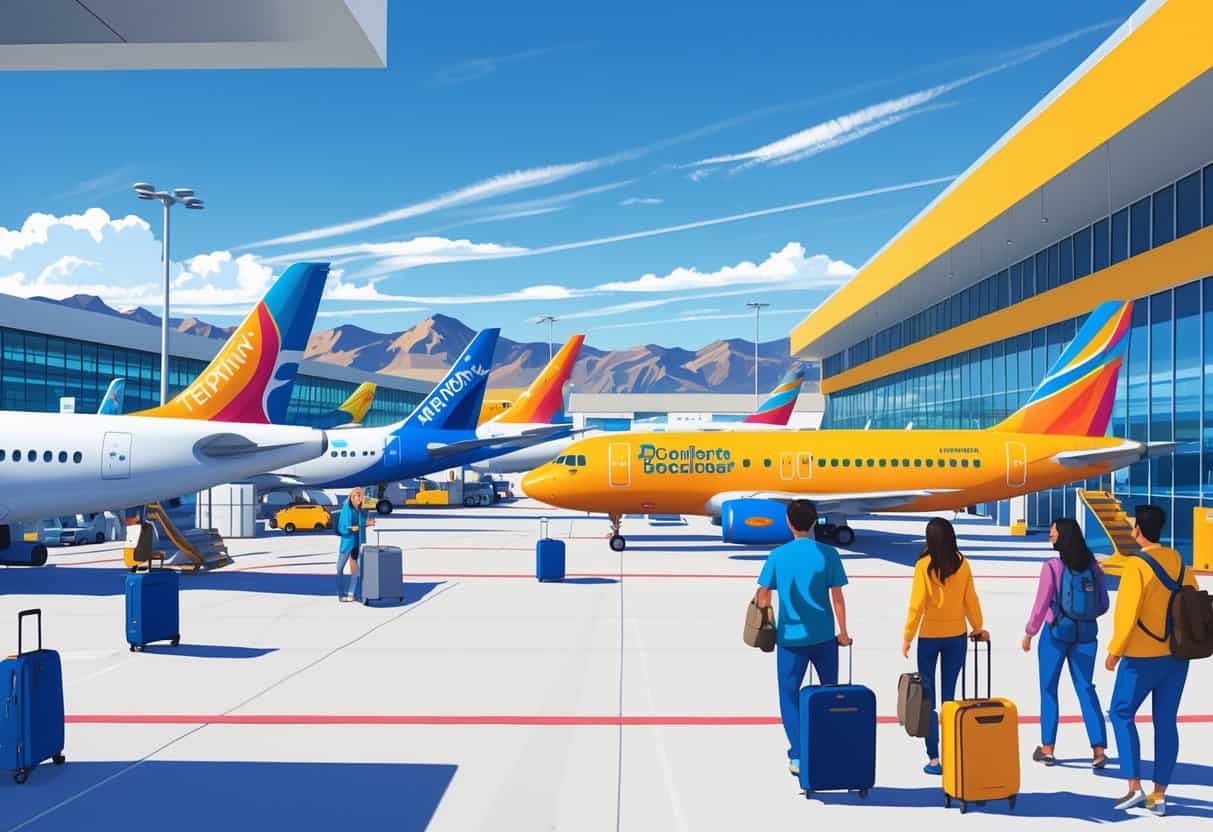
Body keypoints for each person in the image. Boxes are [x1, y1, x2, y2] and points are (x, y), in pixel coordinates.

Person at [1106, 504, 1200, 817]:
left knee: (1121, 712)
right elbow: (1193, 600)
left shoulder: (1137, 565)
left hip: (1141, 656)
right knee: (1165, 721)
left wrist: (1115, 650)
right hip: (1176, 656)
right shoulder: (1178, 562)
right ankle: (1159, 795)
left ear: (1137, 530)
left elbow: (1127, 612)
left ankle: (1134, 786)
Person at [755, 499, 851, 778]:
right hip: (823, 637)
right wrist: (842, 633)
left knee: (789, 696)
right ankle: (829, 747)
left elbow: (763, 597)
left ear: (788, 522)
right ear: (813, 522)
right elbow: (838, 597)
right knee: (829, 693)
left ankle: (799, 754)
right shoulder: (829, 554)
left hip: (790, 639)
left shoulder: (778, 555)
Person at [902, 517, 988, 776]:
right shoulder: (963, 564)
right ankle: (952, 751)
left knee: (927, 698)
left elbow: (916, 604)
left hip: (929, 637)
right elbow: (970, 598)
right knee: (949, 697)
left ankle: (934, 757)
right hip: (957, 636)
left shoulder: (923, 565)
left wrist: (908, 635)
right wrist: (978, 625)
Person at [1022, 518, 1109, 769]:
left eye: (1053, 531)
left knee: (1049, 689)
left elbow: (1041, 606)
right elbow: (1103, 604)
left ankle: (1048, 749)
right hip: (1086, 635)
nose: (1050, 535)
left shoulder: (1052, 567)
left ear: (1063, 537)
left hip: (1056, 633)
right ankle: (1098, 749)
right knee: (1086, 688)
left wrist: (1030, 632)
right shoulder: (1093, 566)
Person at [336, 487, 374, 602]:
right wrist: (350, 529)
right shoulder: (346, 509)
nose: (360, 498)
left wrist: (367, 523)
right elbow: (341, 527)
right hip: (347, 542)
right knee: (339, 568)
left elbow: (362, 523)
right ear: (352, 497)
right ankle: (340, 593)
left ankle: (352, 593)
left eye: (361, 496)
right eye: (358, 496)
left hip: (358, 542)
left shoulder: (363, 509)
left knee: (357, 569)